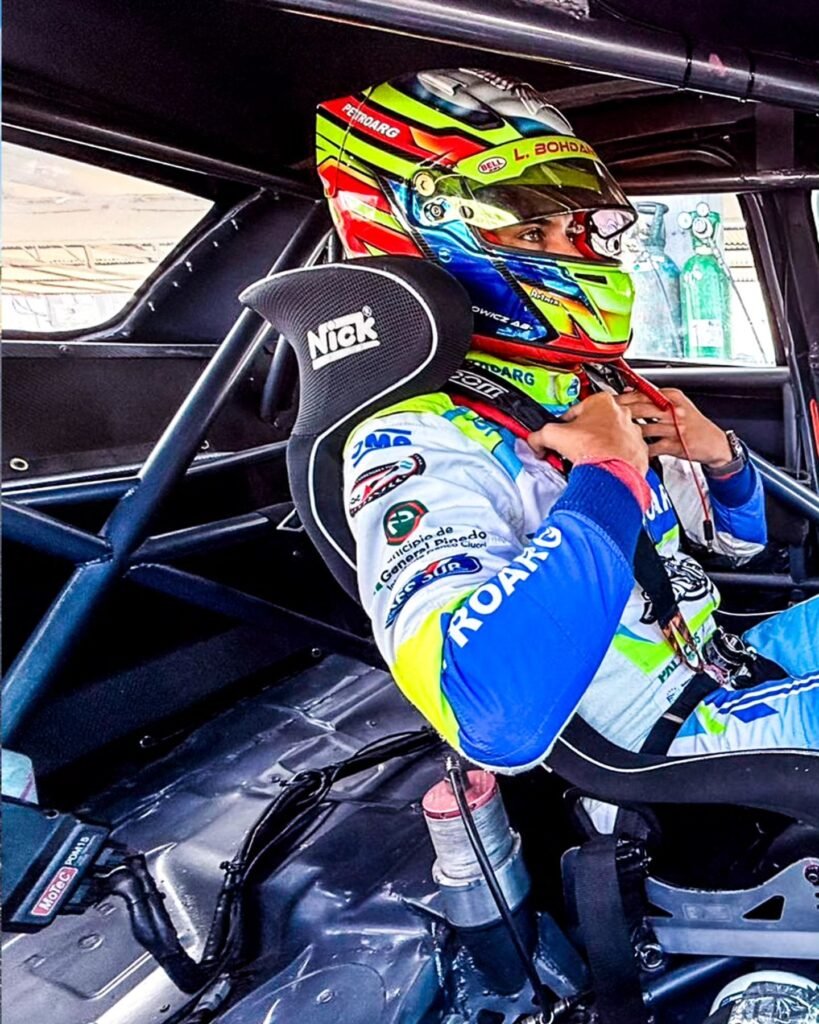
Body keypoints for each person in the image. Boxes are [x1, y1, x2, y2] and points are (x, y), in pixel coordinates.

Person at [317, 68, 819, 770]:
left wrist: (721, 461)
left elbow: (738, 548)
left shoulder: (587, 390)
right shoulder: (413, 440)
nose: (574, 252)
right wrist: (608, 474)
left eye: (575, 228)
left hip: (725, 659)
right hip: (668, 736)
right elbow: (493, 720)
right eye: (533, 230)